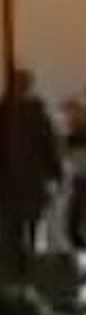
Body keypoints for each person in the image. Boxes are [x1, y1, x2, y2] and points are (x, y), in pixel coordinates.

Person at [0, 69, 64, 257]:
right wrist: (56, 174)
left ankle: (13, 266)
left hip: (6, 182)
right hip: (32, 181)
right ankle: (30, 263)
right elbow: (48, 147)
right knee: (33, 229)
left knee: (10, 231)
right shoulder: (36, 115)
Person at [64, 91, 86, 250]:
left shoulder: (75, 135)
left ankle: (79, 250)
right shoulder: (74, 135)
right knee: (75, 217)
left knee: (75, 217)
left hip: (80, 178)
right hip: (80, 178)